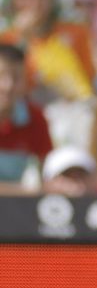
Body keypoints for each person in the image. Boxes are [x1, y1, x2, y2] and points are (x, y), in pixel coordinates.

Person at [0, 42, 50, 193]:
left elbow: (44, 176)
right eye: (1, 76)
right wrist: (24, 191)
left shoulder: (36, 118)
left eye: (16, 78)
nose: (8, 86)